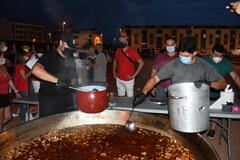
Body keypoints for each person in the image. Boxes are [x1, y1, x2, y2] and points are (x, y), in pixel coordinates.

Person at [133, 36, 227, 106]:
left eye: (186, 56)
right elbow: (155, 79)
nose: (182, 58)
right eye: (181, 54)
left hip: (195, 104)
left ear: (194, 53)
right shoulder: (174, 64)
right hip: (176, 103)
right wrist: (144, 92)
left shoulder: (203, 65)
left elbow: (223, 83)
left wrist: (207, 83)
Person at [32, 34, 78, 118]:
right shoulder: (50, 55)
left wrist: (75, 83)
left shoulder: (71, 59)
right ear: (61, 43)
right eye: (68, 46)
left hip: (67, 98)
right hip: (50, 99)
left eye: (72, 48)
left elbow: (73, 77)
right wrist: (58, 80)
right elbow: (35, 70)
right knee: (49, 127)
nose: (70, 50)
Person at [201, 44, 240, 138]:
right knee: (203, 110)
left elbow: (235, 77)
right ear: (211, 52)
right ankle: (202, 126)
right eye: (216, 55)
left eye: (221, 56)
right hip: (203, 91)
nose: (218, 58)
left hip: (218, 92)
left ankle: (212, 129)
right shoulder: (204, 59)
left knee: (216, 111)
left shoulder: (226, 63)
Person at [151, 37, 178, 103]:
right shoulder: (160, 56)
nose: (170, 46)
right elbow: (154, 71)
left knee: (174, 107)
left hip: (175, 87)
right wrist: (152, 85)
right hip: (161, 87)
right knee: (159, 108)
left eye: (171, 45)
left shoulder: (180, 57)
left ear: (175, 45)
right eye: (168, 45)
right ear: (165, 45)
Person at [0, 52, 21, 133]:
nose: (3, 59)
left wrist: (16, 91)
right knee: (0, 119)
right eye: (1, 57)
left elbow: (9, 80)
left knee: (9, 117)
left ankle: (0, 127)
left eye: (3, 57)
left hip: (5, 95)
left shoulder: (3, 68)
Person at [14, 53, 32, 121]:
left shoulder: (22, 66)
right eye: (25, 56)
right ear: (22, 58)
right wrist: (32, 70)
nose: (27, 56)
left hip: (23, 86)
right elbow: (24, 77)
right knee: (24, 104)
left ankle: (22, 116)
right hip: (22, 87)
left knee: (23, 103)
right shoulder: (20, 66)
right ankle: (22, 118)